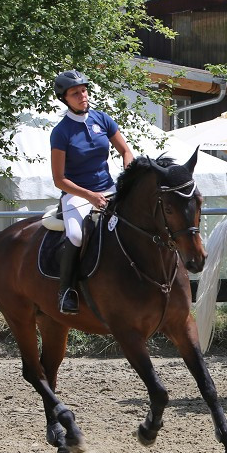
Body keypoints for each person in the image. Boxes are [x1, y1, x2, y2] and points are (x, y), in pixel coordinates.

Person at [49, 69, 135, 314]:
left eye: (84, 91)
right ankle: (66, 290)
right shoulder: (61, 132)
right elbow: (59, 179)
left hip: (109, 189)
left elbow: (126, 152)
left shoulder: (102, 119)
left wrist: (128, 176)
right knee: (76, 235)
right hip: (77, 194)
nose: (82, 96)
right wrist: (89, 196)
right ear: (65, 98)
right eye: (75, 93)